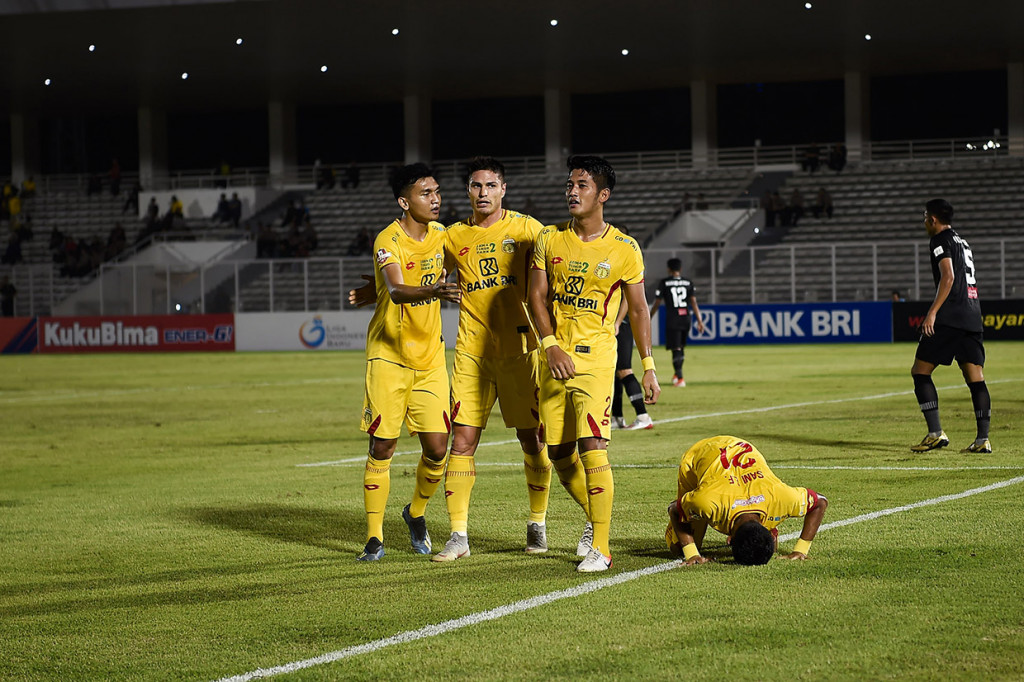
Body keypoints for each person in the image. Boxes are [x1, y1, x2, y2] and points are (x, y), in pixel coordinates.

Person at [528, 155, 661, 573]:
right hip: (552, 359)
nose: (572, 191)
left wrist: (649, 365)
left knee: (593, 446)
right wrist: (549, 345)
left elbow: (639, 310)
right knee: (558, 453)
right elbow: (535, 297)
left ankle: (601, 547)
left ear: (602, 195)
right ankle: (593, 515)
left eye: (582, 185)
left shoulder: (624, 248)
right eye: (570, 184)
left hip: (597, 360)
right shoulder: (549, 239)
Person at [430, 157, 552, 562]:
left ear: (504, 190)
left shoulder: (527, 228)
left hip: (521, 352)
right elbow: (433, 275)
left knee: (531, 439)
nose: (483, 193)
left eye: (490, 186)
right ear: (468, 191)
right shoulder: (452, 236)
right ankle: (458, 535)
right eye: (476, 186)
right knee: (461, 443)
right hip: (472, 354)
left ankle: (537, 523)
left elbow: (554, 273)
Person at [346, 163, 461, 562]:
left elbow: (463, 263)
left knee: (438, 448)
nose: (435, 199)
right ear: (404, 201)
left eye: (437, 191)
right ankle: (375, 538)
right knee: (383, 445)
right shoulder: (387, 238)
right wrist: (431, 289)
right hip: (389, 357)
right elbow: (395, 289)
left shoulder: (443, 236)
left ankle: (414, 512)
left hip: (429, 358)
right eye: (425, 193)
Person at [665, 435, 828, 565]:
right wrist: (692, 554)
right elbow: (674, 509)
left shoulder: (782, 498)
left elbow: (821, 502)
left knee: (765, 548)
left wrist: (801, 550)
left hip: (741, 451)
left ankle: (770, 528)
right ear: (729, 540)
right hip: (701, 455)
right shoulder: (708, 502)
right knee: (679, 549)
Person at [910, 199, 991, 454]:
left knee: (920, 371)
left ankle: (935, 433)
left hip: (950, 316)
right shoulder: (962, 241)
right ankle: (982, 440)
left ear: (933, 219)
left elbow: (949, 276)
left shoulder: (939, 241)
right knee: (975, 378)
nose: (924, 222)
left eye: (925, 217)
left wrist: (932, 313)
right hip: (971, 314)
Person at [649, 258, 706, 387]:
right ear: (680, 269)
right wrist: (700, 321)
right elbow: (694, 302)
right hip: (686, 317)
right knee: (680, 346)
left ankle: (680, 378)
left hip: (673, 317)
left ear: (668, 269)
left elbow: (657, 303)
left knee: (676, 348)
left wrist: (649, 317)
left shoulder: (664, 282)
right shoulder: (688, 282)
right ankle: (677, 374)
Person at [611, 293, 654, 431]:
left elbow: (627, 298)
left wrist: (617, 322)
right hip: (611, 325)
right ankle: (616, 417)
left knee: (624, 370)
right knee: (614, 371)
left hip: (621, 326)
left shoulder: (623, 272)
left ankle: (643, 416)